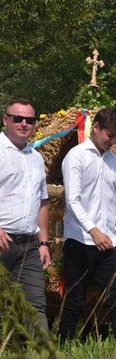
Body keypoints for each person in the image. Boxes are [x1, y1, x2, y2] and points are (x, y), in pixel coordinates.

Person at [59, 108, 116, 342]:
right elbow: (72, 200)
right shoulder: (76, 156)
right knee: (74, 300)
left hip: (110, 243)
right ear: (96, 127)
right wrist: (93, 229)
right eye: (109, 135)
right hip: (80, 241)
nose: (112, 141)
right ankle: (64, 348)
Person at [0, 98, 50, 334]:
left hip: (29, 244)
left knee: (34, 304)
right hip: (2, 238)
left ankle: (41, 356)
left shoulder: (36, 158)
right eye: (17, 118)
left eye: (29, 120)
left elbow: (42, 201)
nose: (23, 124)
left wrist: (43, 242)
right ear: (5, 120)